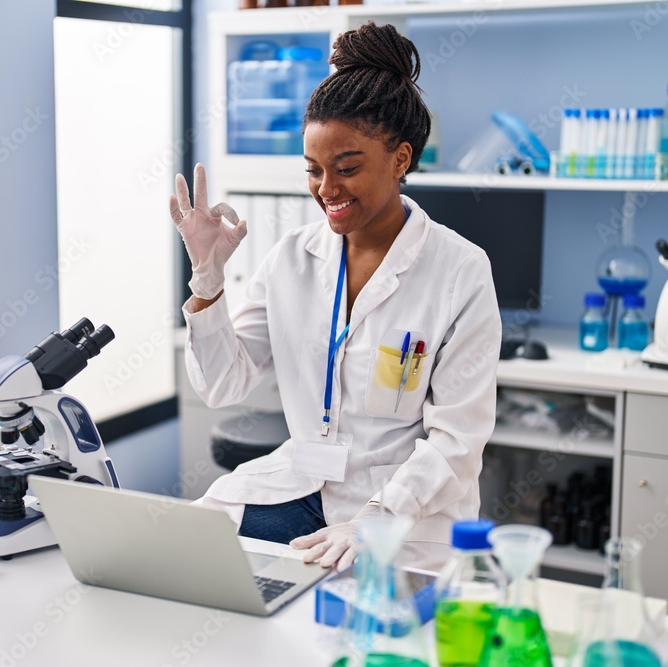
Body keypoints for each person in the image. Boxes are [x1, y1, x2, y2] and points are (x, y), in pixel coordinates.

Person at [171, 21, 501, 572]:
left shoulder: (460, 270)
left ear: (400, 159)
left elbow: (457, 443)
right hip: (300, 488)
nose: (326, 189)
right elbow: (222, 385)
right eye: (314, 170)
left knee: (366, 632)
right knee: (198, 563)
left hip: (406, 510)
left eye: (347, 168)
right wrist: (207, 283)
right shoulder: (290, 259)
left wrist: (377, 516)